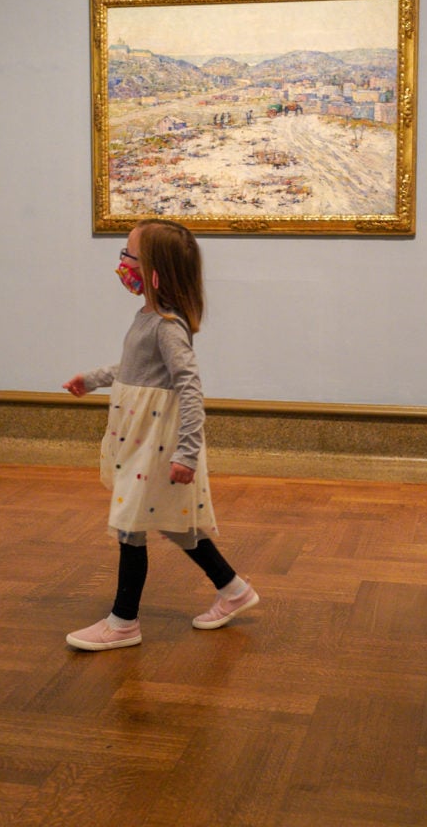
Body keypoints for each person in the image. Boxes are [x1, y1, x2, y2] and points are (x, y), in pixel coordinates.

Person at [62, 218, 259, 651]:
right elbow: (133, 370)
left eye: (129, 255)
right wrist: (93, 378)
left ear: (154, 270)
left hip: (159, 443)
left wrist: (187, 453)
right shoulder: (147, 316)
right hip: (139, 439)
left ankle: (123, 622)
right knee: (172, 523)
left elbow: (190, 387)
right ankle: (233, 590)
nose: (121, 263)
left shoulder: (168, 325)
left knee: (131, 526)